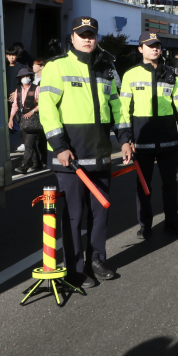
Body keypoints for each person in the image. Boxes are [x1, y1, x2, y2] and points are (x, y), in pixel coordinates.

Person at [39, 17, 133, 288]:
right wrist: (60, 147)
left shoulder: (106, 66)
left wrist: (125, 139)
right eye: (82, 35)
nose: (87, 39)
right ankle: (75, 269)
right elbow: (47, 108)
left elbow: (117, 107)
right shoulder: (57, 66)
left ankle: (97, 260)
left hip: (101, 152)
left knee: (100, 214)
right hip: (70, 156)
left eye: (91, 34)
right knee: (74, 215)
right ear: (72, 38)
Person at [118, 32, 178, 238]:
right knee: (143, 186)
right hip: (142, 140)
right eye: (150, 46)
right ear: (140, 49)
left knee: (170, 184)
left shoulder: (171, 73)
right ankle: (145, 225)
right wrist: (125, 139)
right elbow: (123, 109)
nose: (155, 49)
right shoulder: (130, 75)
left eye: (157, 45)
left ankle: (172, 222)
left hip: (168, 137)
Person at [9, 66, 42, 174]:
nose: (25, 78)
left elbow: (42, 104)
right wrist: (11, 118)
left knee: (28, 144)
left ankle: (24, 166)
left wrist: (32, 111)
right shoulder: (17, 90)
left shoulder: (36, 88)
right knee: (32, 143)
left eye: (27, 76)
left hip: (34, 119)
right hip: (22, 120)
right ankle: (38, 163)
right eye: (23, 76)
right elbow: (15, 106)